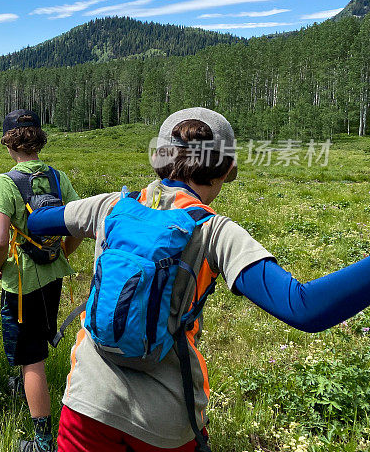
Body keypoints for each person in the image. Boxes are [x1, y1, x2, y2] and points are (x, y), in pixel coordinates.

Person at [27, 107, 370, 452]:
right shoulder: (214, 232)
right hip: (165, 423)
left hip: (87, 404)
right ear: (224, 172)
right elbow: (304, 307)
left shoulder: (111, 206)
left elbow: (39, 222)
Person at [0, 109, 84, 452]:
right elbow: (78, 224)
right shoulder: (57, 177)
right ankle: (24, 383)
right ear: (38, 140)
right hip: (53, 273)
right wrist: (64, 253)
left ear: (9, 144)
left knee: (31, 358)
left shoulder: (5, 182)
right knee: (39, 337)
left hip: (22, 282)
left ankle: (43, 442)